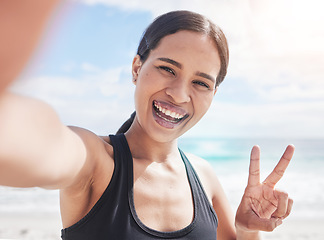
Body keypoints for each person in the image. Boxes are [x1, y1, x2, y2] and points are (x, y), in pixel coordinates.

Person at [0, 6, 295, 240]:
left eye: (200, 83)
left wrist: (246, 229)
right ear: (137, 68)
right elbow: (43, 144)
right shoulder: (96, 162)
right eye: (168, 68)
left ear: (213, 94)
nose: (179, 94)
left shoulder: (204, 177)